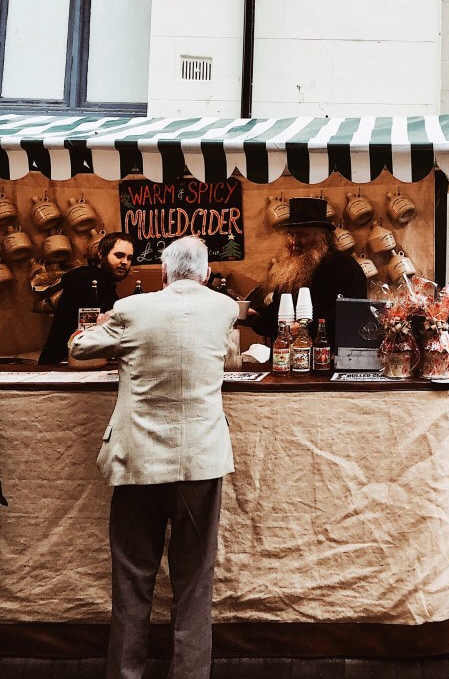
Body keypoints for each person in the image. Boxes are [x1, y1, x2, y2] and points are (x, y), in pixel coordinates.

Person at [69, 236, 239, 679]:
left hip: (139, 459)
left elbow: (78, 348)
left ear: (163, 272)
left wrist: (103, 324)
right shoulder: (224, 308)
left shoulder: (131, 310)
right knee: (195, 581)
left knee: (132, 577)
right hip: (200, 460)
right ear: (203, 273)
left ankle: (125, 673)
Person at [247, 197, 367, 346]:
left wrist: (305, 328)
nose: (293, 242)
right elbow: (278, 317)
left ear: (323, 236)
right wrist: (257, 317)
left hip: (327, 359)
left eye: (302, 234)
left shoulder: (345, 268)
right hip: (288, 360)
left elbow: (352, 319)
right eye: (291, 234)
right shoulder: (290, 271)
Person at [38, 231, 134, 364]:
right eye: (119, 256)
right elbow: (86, 329)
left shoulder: (106, 285)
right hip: (65, 365)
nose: (125, 262)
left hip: (82, 361)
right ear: (101, 254)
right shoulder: (86, 280)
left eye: (129, 258)